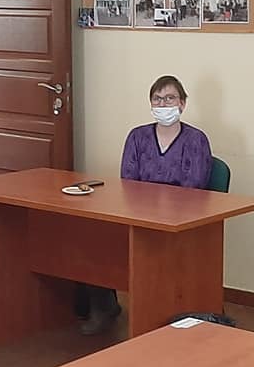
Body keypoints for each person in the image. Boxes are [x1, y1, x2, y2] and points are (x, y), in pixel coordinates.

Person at [76, 76, 213, 335]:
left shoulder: (196, 140)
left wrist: (160, 206)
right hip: (138, 216)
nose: (163, 104)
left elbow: (193, 189)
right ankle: (104, 306)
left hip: (179, 222)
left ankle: (159, 314)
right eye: (157, 99)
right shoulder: (137, 137)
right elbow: (128, 183)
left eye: (170, 98)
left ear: (182, 104)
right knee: (94, 240)